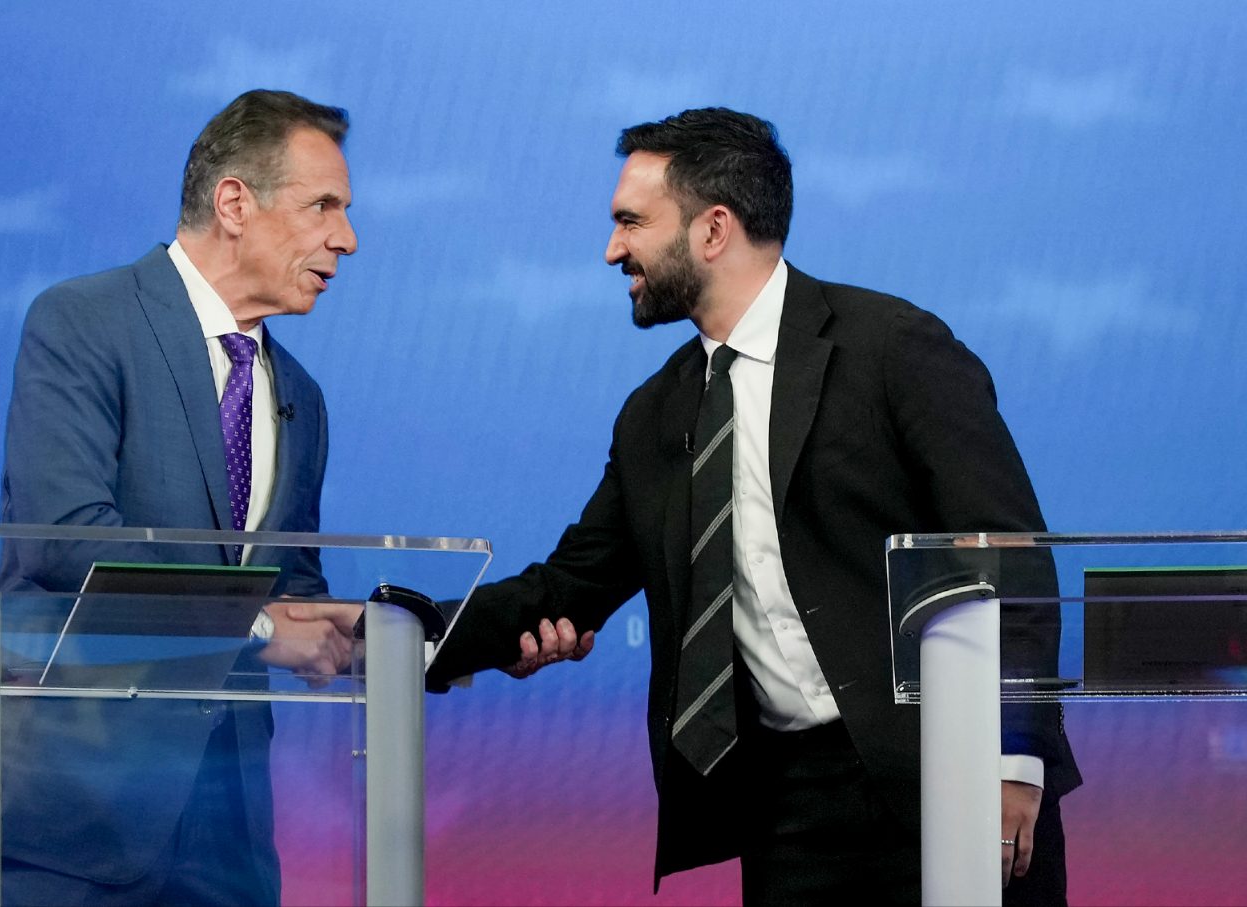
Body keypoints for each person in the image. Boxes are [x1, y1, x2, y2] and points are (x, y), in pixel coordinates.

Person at [427, 107, 1081, 906]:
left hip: (952, 782)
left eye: (631, 222)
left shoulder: (892, 347)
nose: (612, 250)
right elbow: (568, 586)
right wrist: (405, 635)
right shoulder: (654, 415)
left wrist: (1014, 760)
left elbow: (1006, 553)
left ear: (713, 229)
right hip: (786, 813)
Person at [0, 89, 363, 906]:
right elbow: (66, 541)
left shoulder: (298, 392)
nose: (347, 237)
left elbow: (292, 587)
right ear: (235, 202)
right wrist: (261, 627)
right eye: (323, 206)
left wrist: (399, 635)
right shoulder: (84, 323)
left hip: (228, 835)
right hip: (76, 823)